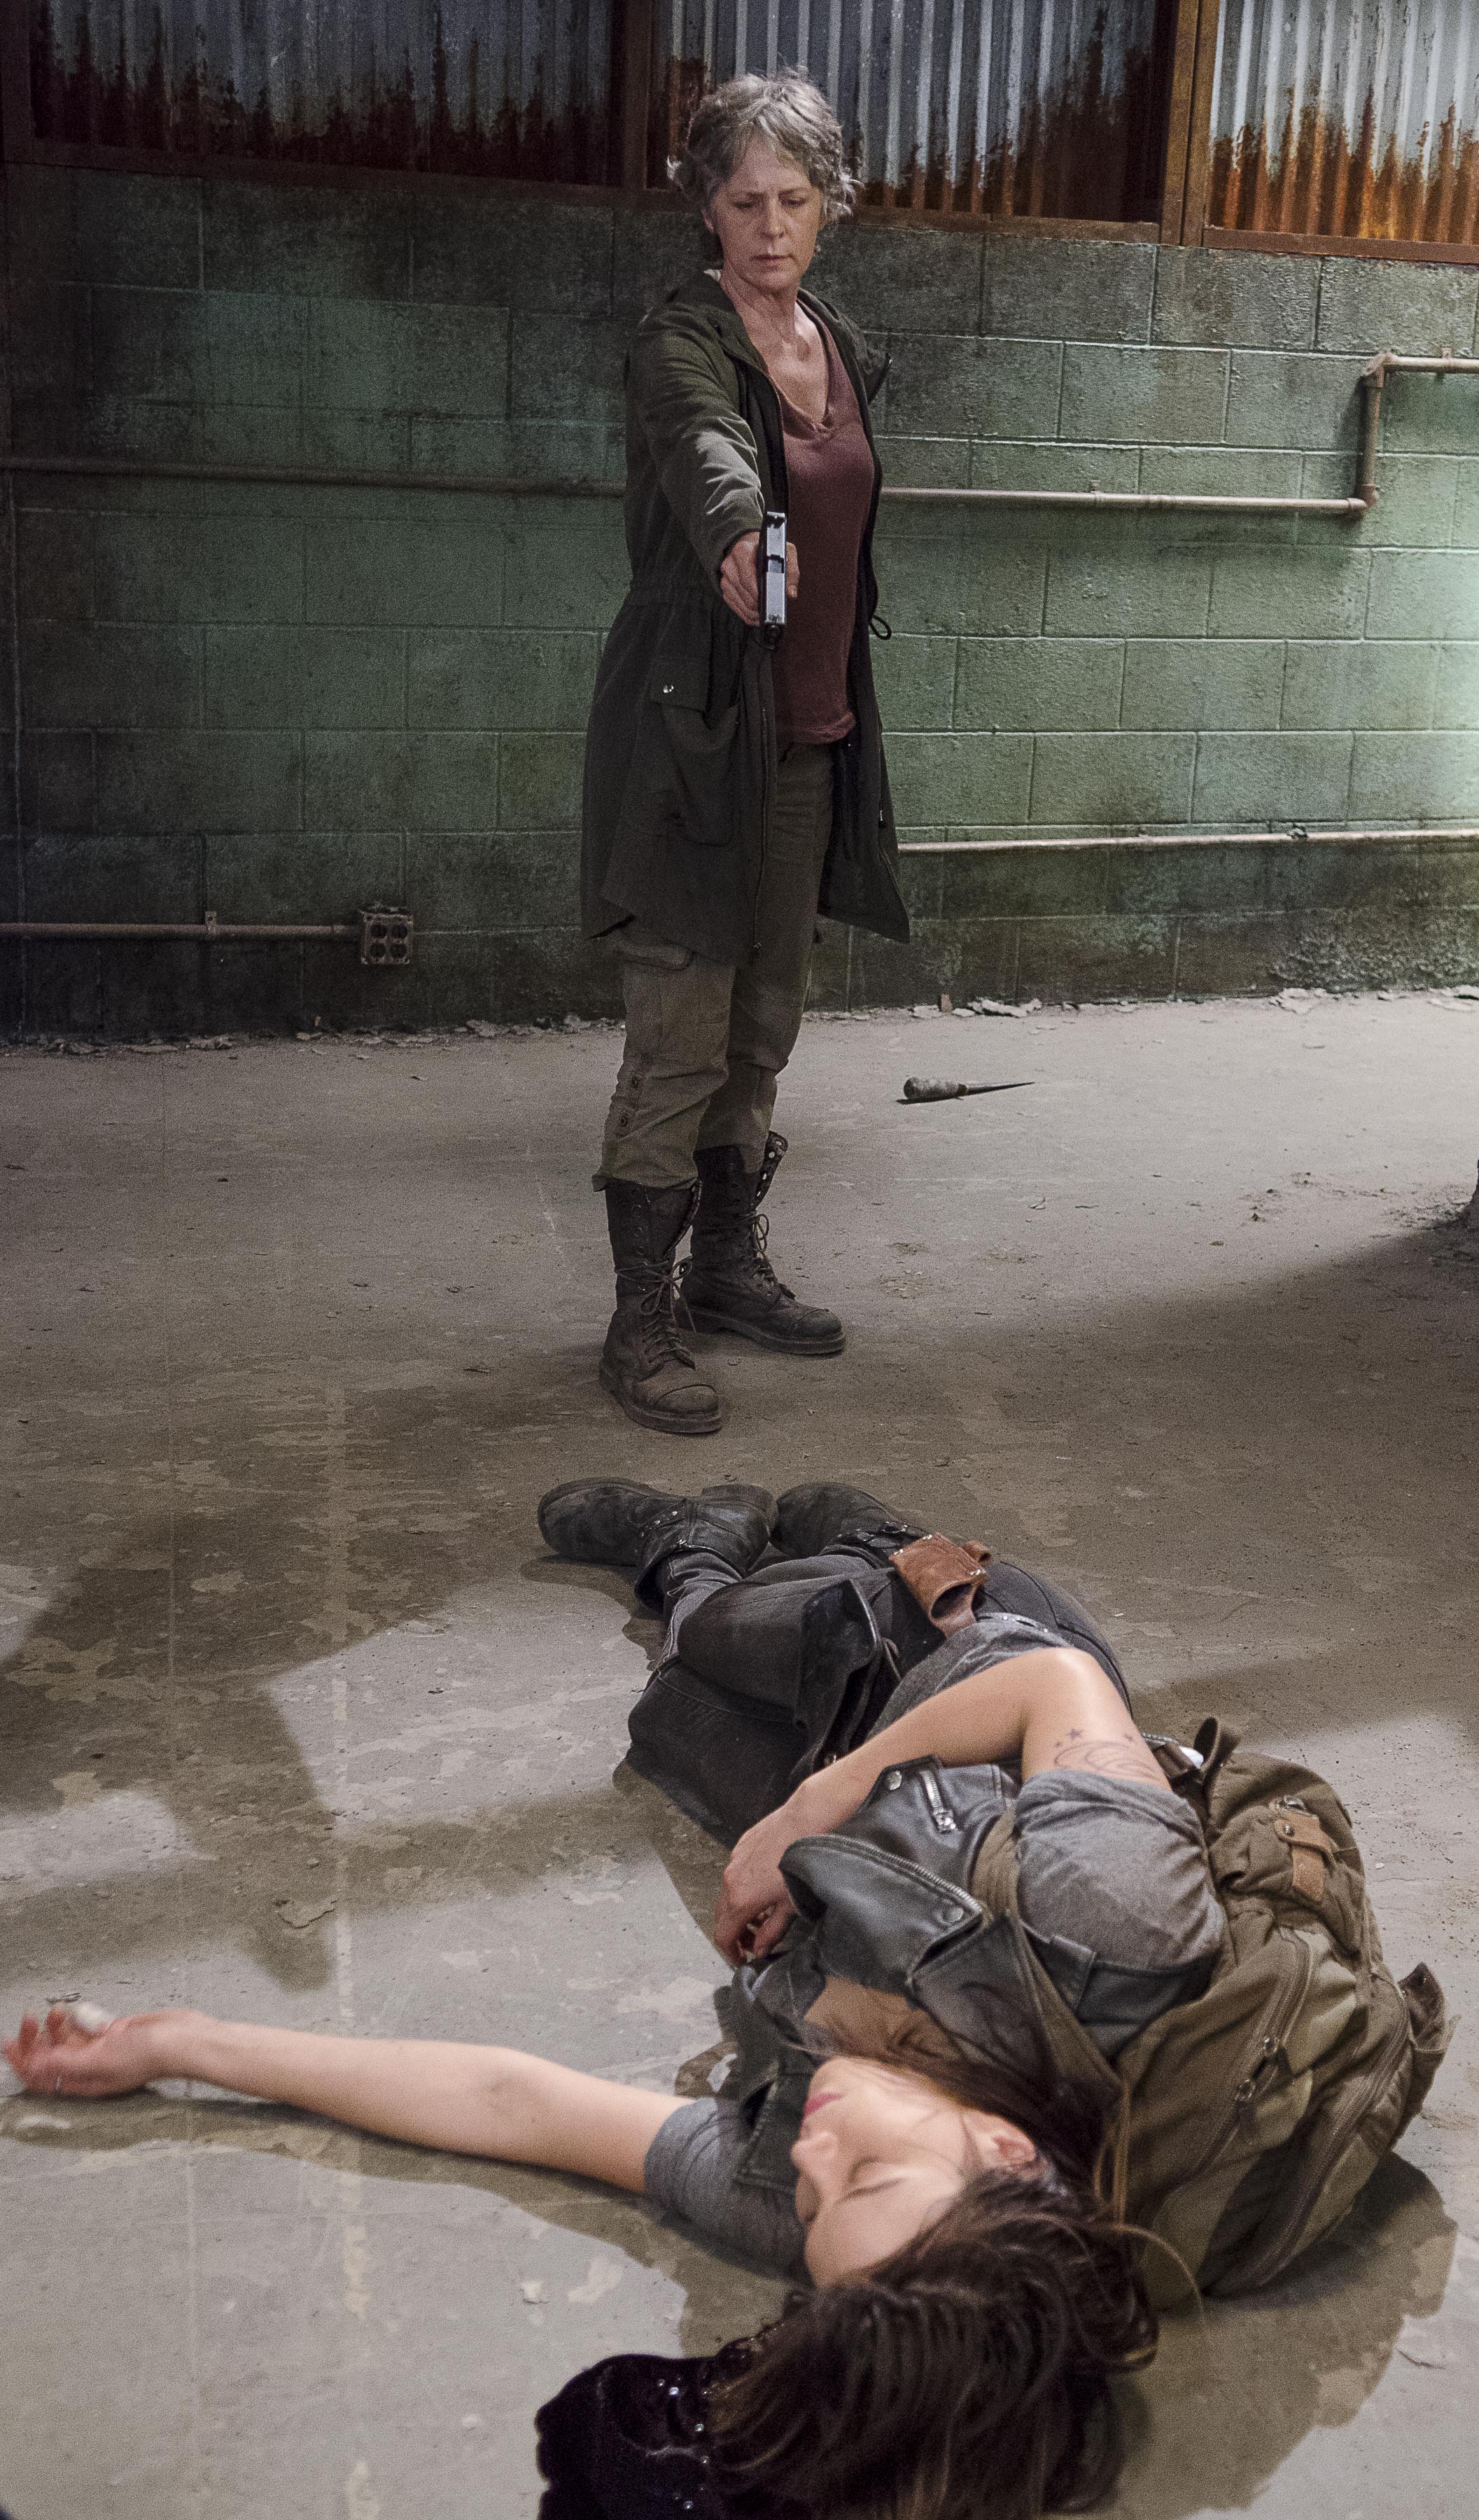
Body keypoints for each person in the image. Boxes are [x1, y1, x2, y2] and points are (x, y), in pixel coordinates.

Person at [6, 1478, 1210, 2520]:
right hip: (964, 1664)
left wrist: (192, 2044)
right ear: (1008, 2150)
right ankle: (875, 1541)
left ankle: (693, 1549)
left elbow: (515, 2104)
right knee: (803, 1622)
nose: (815, 2149)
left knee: (676, 1706)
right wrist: (806, 1813)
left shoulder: (838, 2231)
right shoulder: (1110, 1929)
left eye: (813, 2197)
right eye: (869, 2173)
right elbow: (1048, 1685)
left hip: (852, 1841)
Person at [580, 72, 909, 1440]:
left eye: (793, 200)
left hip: (807, 736)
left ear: (830, 206)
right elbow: (706, 446)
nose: (769, 228)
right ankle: (638, 1321)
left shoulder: (839, 342)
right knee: (680, 1031)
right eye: (743, 201)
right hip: (691, 741)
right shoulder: (680, 338)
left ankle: (723, 1267)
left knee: (762, 1026)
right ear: (704, 208)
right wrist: (732, 533)